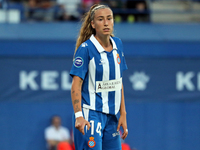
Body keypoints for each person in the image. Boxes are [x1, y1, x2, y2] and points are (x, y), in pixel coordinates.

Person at [70, 3, 128, 150]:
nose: (106, 22)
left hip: (112, 117)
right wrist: (79, 116)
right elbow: (76, 85)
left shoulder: (118, 45)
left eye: (109, 18)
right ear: (93, 24)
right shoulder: (86, 49)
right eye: (101, 19)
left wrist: (123, 113)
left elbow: (118, 81)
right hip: (91, 114)